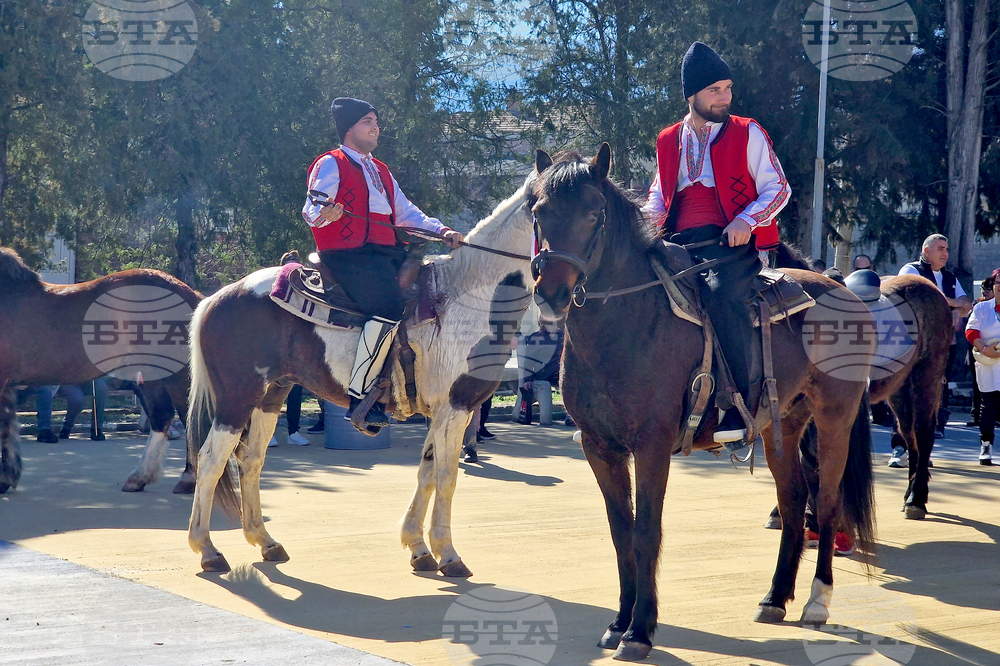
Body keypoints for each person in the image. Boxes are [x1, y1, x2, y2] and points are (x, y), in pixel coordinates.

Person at [643, 41, 791, 444]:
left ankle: (737, 405)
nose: (725, 98)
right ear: (691, 95)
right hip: (677, 242)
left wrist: (746, 220)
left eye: (727, 89)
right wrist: (644, 225)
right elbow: (659, 195)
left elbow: (778, 188)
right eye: (715, 91)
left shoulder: (748, 131)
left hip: (730, 243)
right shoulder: (668, 139)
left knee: (722, 297)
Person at [301, 98, 464, 427]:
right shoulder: (331, 162)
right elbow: (311, 208)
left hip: (385, 253)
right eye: (367, 121)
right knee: (388, 307)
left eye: (376, 121)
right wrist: (325, 213)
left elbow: (406, 213)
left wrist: (442, 231)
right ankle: (360, 396)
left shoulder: (381, 170)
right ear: (349, 129)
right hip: (348, 255)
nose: (376, 127)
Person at [897, 234, 972, 441]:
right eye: (940, 249)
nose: (945, 253)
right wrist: (952, 303)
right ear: (926, 251)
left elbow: (966, 303)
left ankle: (936, 425)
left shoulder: (949, 277)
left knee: (939, 384)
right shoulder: (911, 271)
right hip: (914, 342)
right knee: (910, 386)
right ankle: (902, 438)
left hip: (942, 342)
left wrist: (955, 308)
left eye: (946, 249)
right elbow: (923, 298)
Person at [965, 270, 1000, 465]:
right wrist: (985, 349)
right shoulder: (982, 308)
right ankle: (986, 444)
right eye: (998, 282)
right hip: (989, 363)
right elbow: (971, 331)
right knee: (989, 405)